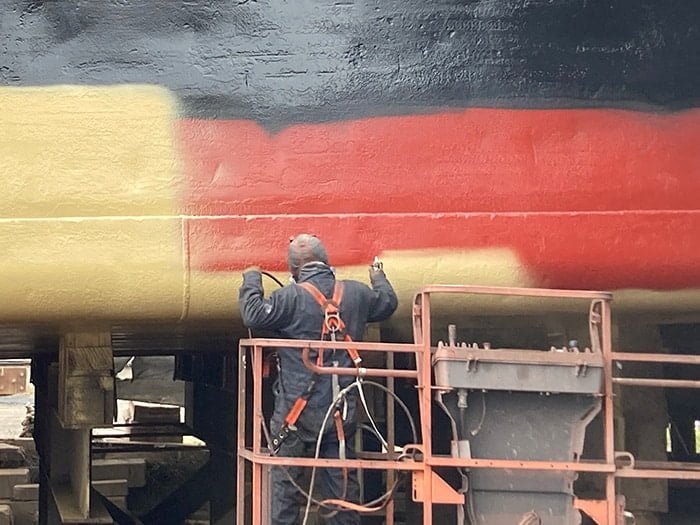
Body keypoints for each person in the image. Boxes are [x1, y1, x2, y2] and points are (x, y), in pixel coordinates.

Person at [239, 233, 398, 525]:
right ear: (328, 264)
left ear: (294, 271)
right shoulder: (356, 294)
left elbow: (253, 315)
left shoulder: (289, 298)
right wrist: (377, 275)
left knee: (284, 489)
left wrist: (252, 278)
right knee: (342, 494)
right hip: (339, 415)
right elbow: (387, 302)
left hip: (294, 416)